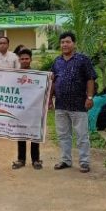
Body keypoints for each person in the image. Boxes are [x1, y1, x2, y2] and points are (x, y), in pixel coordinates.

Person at [50, 31, 96, 172]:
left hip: (79, 105)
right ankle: (65, 160)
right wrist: (49, 100)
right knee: (63, 135)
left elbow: (90, 79)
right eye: (62, 42)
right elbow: (52, 81)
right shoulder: (57, 62)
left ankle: (84, 162)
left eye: (68, 42)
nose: (65, 44)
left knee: (82, 135)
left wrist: (89, 98)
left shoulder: (83, 60)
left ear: (73, 44)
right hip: (61, 105)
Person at [11, 48, 42, 170]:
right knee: (21, 134)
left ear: (30, 59)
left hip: (34, 110)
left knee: (34, 134)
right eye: (22, 58)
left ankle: (35, 160)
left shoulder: (37, 75)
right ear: (19, 60)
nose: (24, 60)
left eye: (27, 58)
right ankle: (21, 159)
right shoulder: (14, 75)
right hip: (20, 110)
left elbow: (42, 88)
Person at [0, 35, 20, 142]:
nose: (2, 45)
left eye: (4, 43)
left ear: (8, 44)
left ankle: (12, 132)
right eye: (0, 43)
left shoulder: (14, 57)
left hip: (11, 89)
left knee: (11, 110)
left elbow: (19, 72)